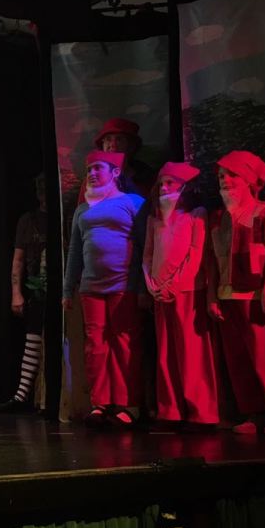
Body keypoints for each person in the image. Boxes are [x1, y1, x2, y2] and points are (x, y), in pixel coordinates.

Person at [206, 151, 265, 435]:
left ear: (247, 179)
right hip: (227, 296)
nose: (225, 181)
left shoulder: (264, 212)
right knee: (239, 359)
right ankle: (253, 413)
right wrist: (212, 296)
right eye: (221, 176)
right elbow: (212, 261)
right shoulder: (218, 218)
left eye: (231, 175)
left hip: (255, 295)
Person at [62, 151, 147, 428]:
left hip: (123, 284)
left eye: (98, 168)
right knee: (95, 346)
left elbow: (145, 246)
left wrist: (140, 286)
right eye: (89, 169)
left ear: (115, 172)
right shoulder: (83, 209)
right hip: (91, 287)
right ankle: (100, 403)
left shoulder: (133, 202)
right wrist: (67, 289)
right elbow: (75, 251)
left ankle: (127, 404)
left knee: (124, 343)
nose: (92, 173)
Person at [142, 162, 218, 430]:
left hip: (187, 292)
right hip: (160, 294)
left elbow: (196, 254)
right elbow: (147, 255)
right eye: (161, 183)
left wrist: (174, 284)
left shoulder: (195, 215)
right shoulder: (154, 220)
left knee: (191, 353)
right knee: (166, 353)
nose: (164, 188)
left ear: (185, 187)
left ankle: (201, 413)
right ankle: (170, 410)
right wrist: (151, 284)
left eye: (170, 183)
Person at [0, 173, 47, 411]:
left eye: (45, 186)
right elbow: (18, 259)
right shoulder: (28, 220)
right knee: (33, 338)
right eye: (39, 186)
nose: (41, 190)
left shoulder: (64, 216)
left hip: (61, 288)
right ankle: (22, 395)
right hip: (37, 287)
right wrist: (16, 293)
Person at [95, 117, 156, 197]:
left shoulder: (147, 178)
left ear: (131, 146)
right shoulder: (93, 177)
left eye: (119, 139)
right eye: (108, 139)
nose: (113, 145)